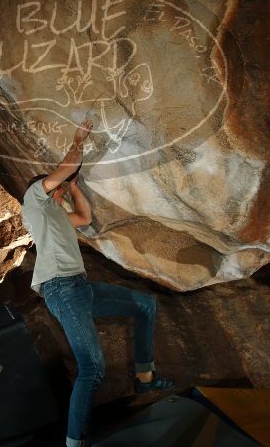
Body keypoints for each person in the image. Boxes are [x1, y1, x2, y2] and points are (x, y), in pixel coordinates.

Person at [21, 120, 173, 447]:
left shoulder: (58, 215)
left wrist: (74, 186)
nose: (59, 190)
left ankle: (145, 379)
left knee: (145, 304)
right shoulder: (33, 200)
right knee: (92, 367)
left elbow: (85, 217)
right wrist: (77, 141)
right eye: (56, 188)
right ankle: (75, 443)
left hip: (81, 289)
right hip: (60, 288)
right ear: (46, 188)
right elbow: (66, 167)